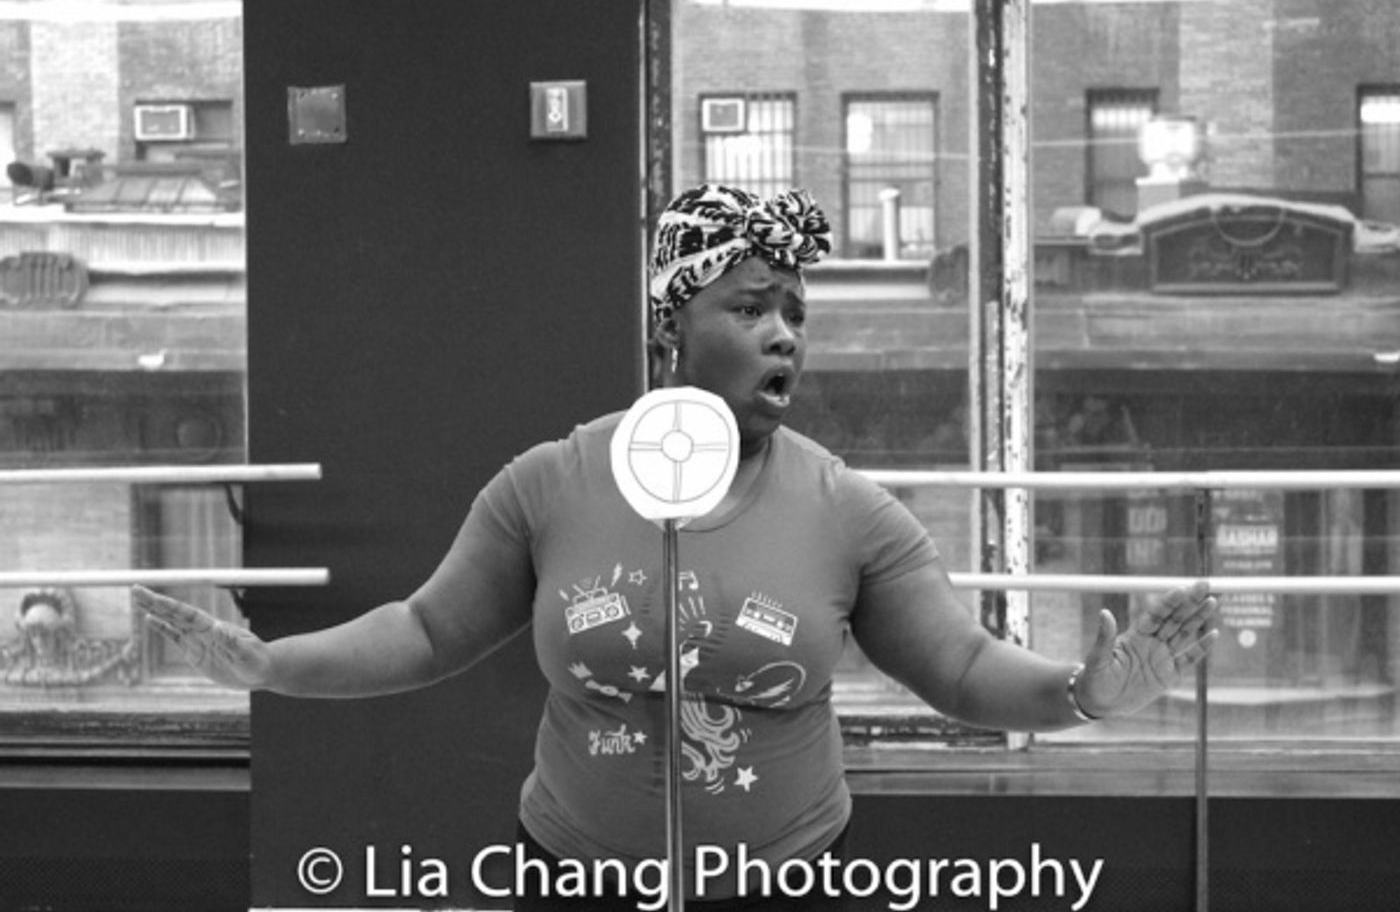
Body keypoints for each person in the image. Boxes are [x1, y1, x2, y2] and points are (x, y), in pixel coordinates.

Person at [135, 183, 1218, 911]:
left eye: (794, 310)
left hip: (786, 881)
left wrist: (1079, 694)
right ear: (669, 329)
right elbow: (423, 632)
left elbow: (964, 665)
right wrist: (271, 666)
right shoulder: (549, 481)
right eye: (750, 306)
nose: (784, 330)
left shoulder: (847, 511)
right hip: (572, 875)